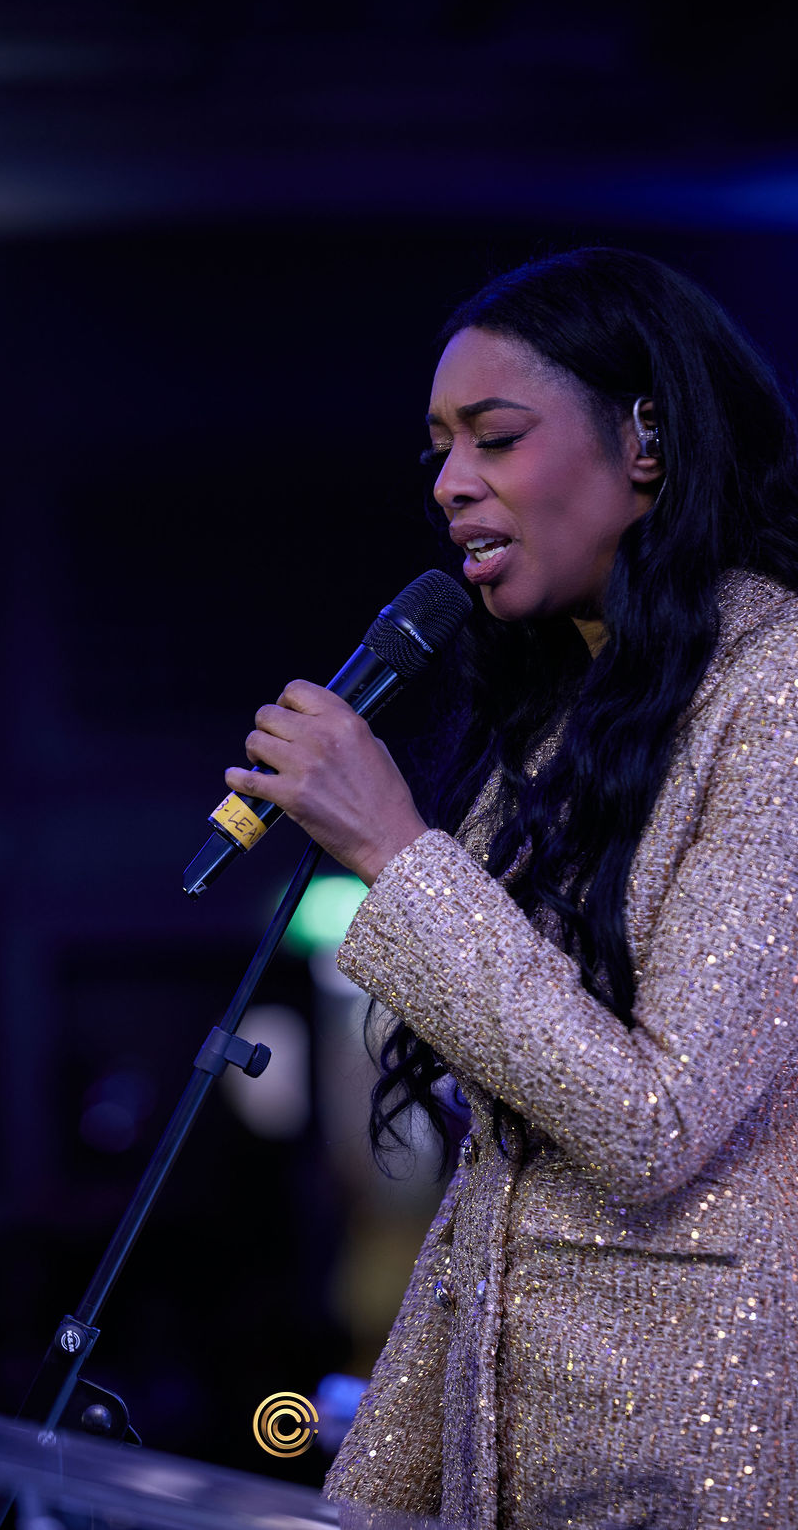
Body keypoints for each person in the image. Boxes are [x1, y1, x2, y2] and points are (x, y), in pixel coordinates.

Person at [222, 247, 798, 1530]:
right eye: (437, 450)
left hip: (706, 1471)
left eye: (494, 436)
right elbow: (493, 1196)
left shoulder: (778, 694)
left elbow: (649, 1121)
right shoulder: (559, 734)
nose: (449, 483)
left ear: (645, 438)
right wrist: (365, 1501)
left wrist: (394, 850)